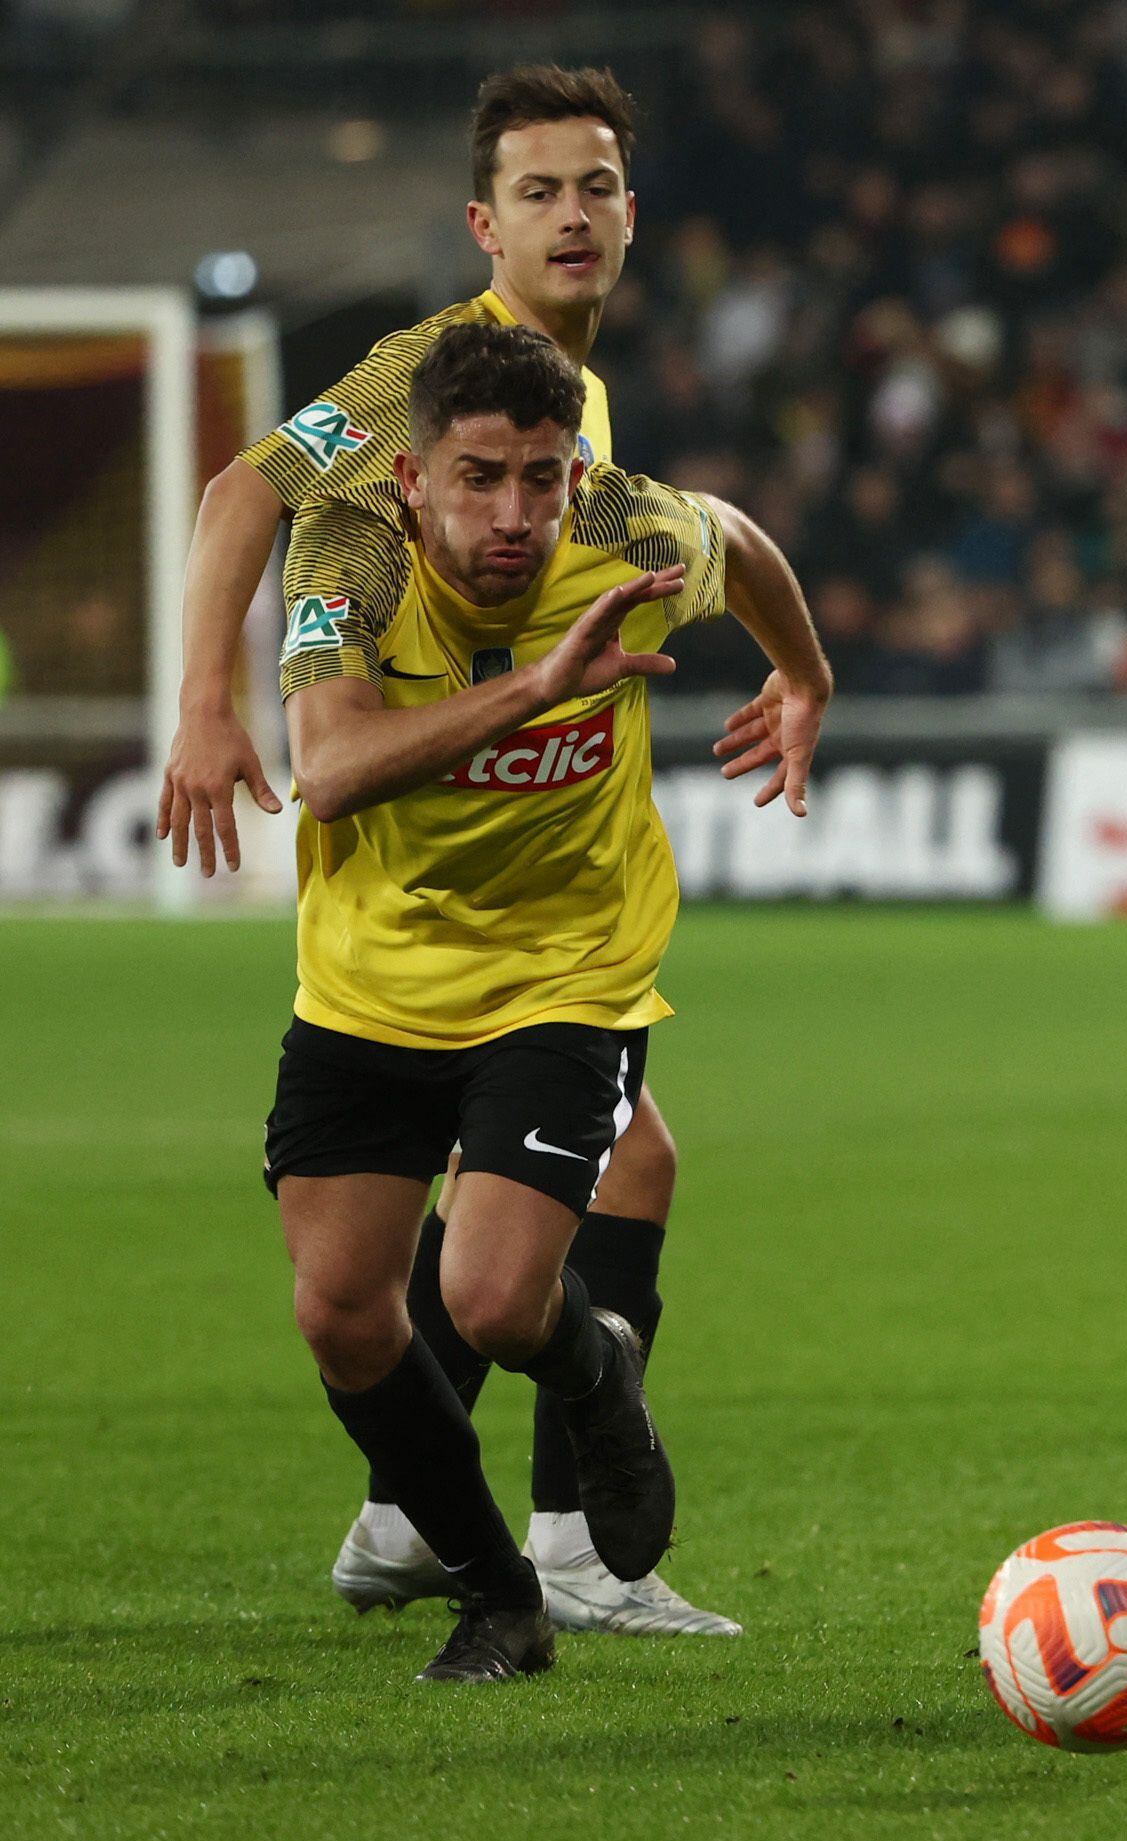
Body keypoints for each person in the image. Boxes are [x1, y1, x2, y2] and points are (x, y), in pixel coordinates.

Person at [158, 66, 785, 1635]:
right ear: (483, 220)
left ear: (633, 212)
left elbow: (704, 533)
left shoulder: (562, 397)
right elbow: (245, 488)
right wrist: (199, 706)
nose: (572, 215)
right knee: (543, 1204)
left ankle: (420, 1522)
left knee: (621, 1158)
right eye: (538, 191)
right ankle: (547, 1546)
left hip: (521, 896)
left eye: (596, 187)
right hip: (397, 849)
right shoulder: (425, 374)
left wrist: (797, 665)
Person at [267, 319, 830, 1682]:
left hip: (566, 972)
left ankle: (592, 1379)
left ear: (577, 474)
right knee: (344, 1315)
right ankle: (500, 1592)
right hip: (369, 978)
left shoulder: (634, 533)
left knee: (499, 1297)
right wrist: (537, 685)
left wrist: (803, 673)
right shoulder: (345, 551)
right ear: (411, 480)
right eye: (478, 478)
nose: (512, 512)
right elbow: (332, 770)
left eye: (539, 477)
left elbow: (741, 539)